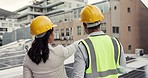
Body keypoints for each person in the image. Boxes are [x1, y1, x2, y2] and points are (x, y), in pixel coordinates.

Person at [71, 5, 127, 78]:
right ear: (100, 22)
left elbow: (77, 76)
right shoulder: (115, 42)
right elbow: (123, 70)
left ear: (84, 25)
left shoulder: (83, 46)